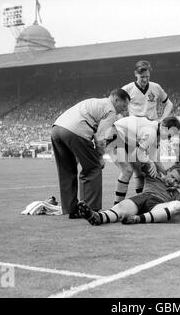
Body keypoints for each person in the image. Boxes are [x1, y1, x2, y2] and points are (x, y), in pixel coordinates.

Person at [51, 88, 130, 218]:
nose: (124, 109)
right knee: (93, 168)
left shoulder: (95, 102)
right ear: (116, 100)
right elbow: (100, 137)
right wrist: (99, 157)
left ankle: (71, 209)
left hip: (56, 129)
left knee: (67, 171)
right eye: (124, 105)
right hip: (76, 131)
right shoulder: (110, 110)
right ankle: (89, 209)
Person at [114, 60, 175, 204]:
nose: (145, 80)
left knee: (146, 168)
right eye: (142, 77)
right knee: (137, 169)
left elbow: (169, 103)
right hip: (134, 131)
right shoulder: (128, 89)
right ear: (136, 74)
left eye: (147, 76)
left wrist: (163, 119)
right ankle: (136, 201)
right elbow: (115, 105)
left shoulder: (156, 87)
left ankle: (142, 199)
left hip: (152, 129)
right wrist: (123, 119)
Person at [77, 163, 180, 226]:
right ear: (167, 171)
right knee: (121, 207)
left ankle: (137, 219)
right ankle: (97, 217)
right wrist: (150, 161)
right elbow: (138, 159)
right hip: (143, 198)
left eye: (176, 180)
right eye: (172, 176)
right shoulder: (154, 174)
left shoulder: (176, 193)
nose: (172, 181)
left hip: (157, 206)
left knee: (177, 206)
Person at [109, 115, 180, 205]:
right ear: (163, 126)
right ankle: (117, 206)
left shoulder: (156, 132)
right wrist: (150, 162)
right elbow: (139, 154)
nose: (169, 139)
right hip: (116, 133)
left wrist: (165, 174)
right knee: (127, 171)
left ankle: (141, 201)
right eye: (169, 135)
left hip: (125, 137)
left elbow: (155, 159)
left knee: (140, 172)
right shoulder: (151, 133)